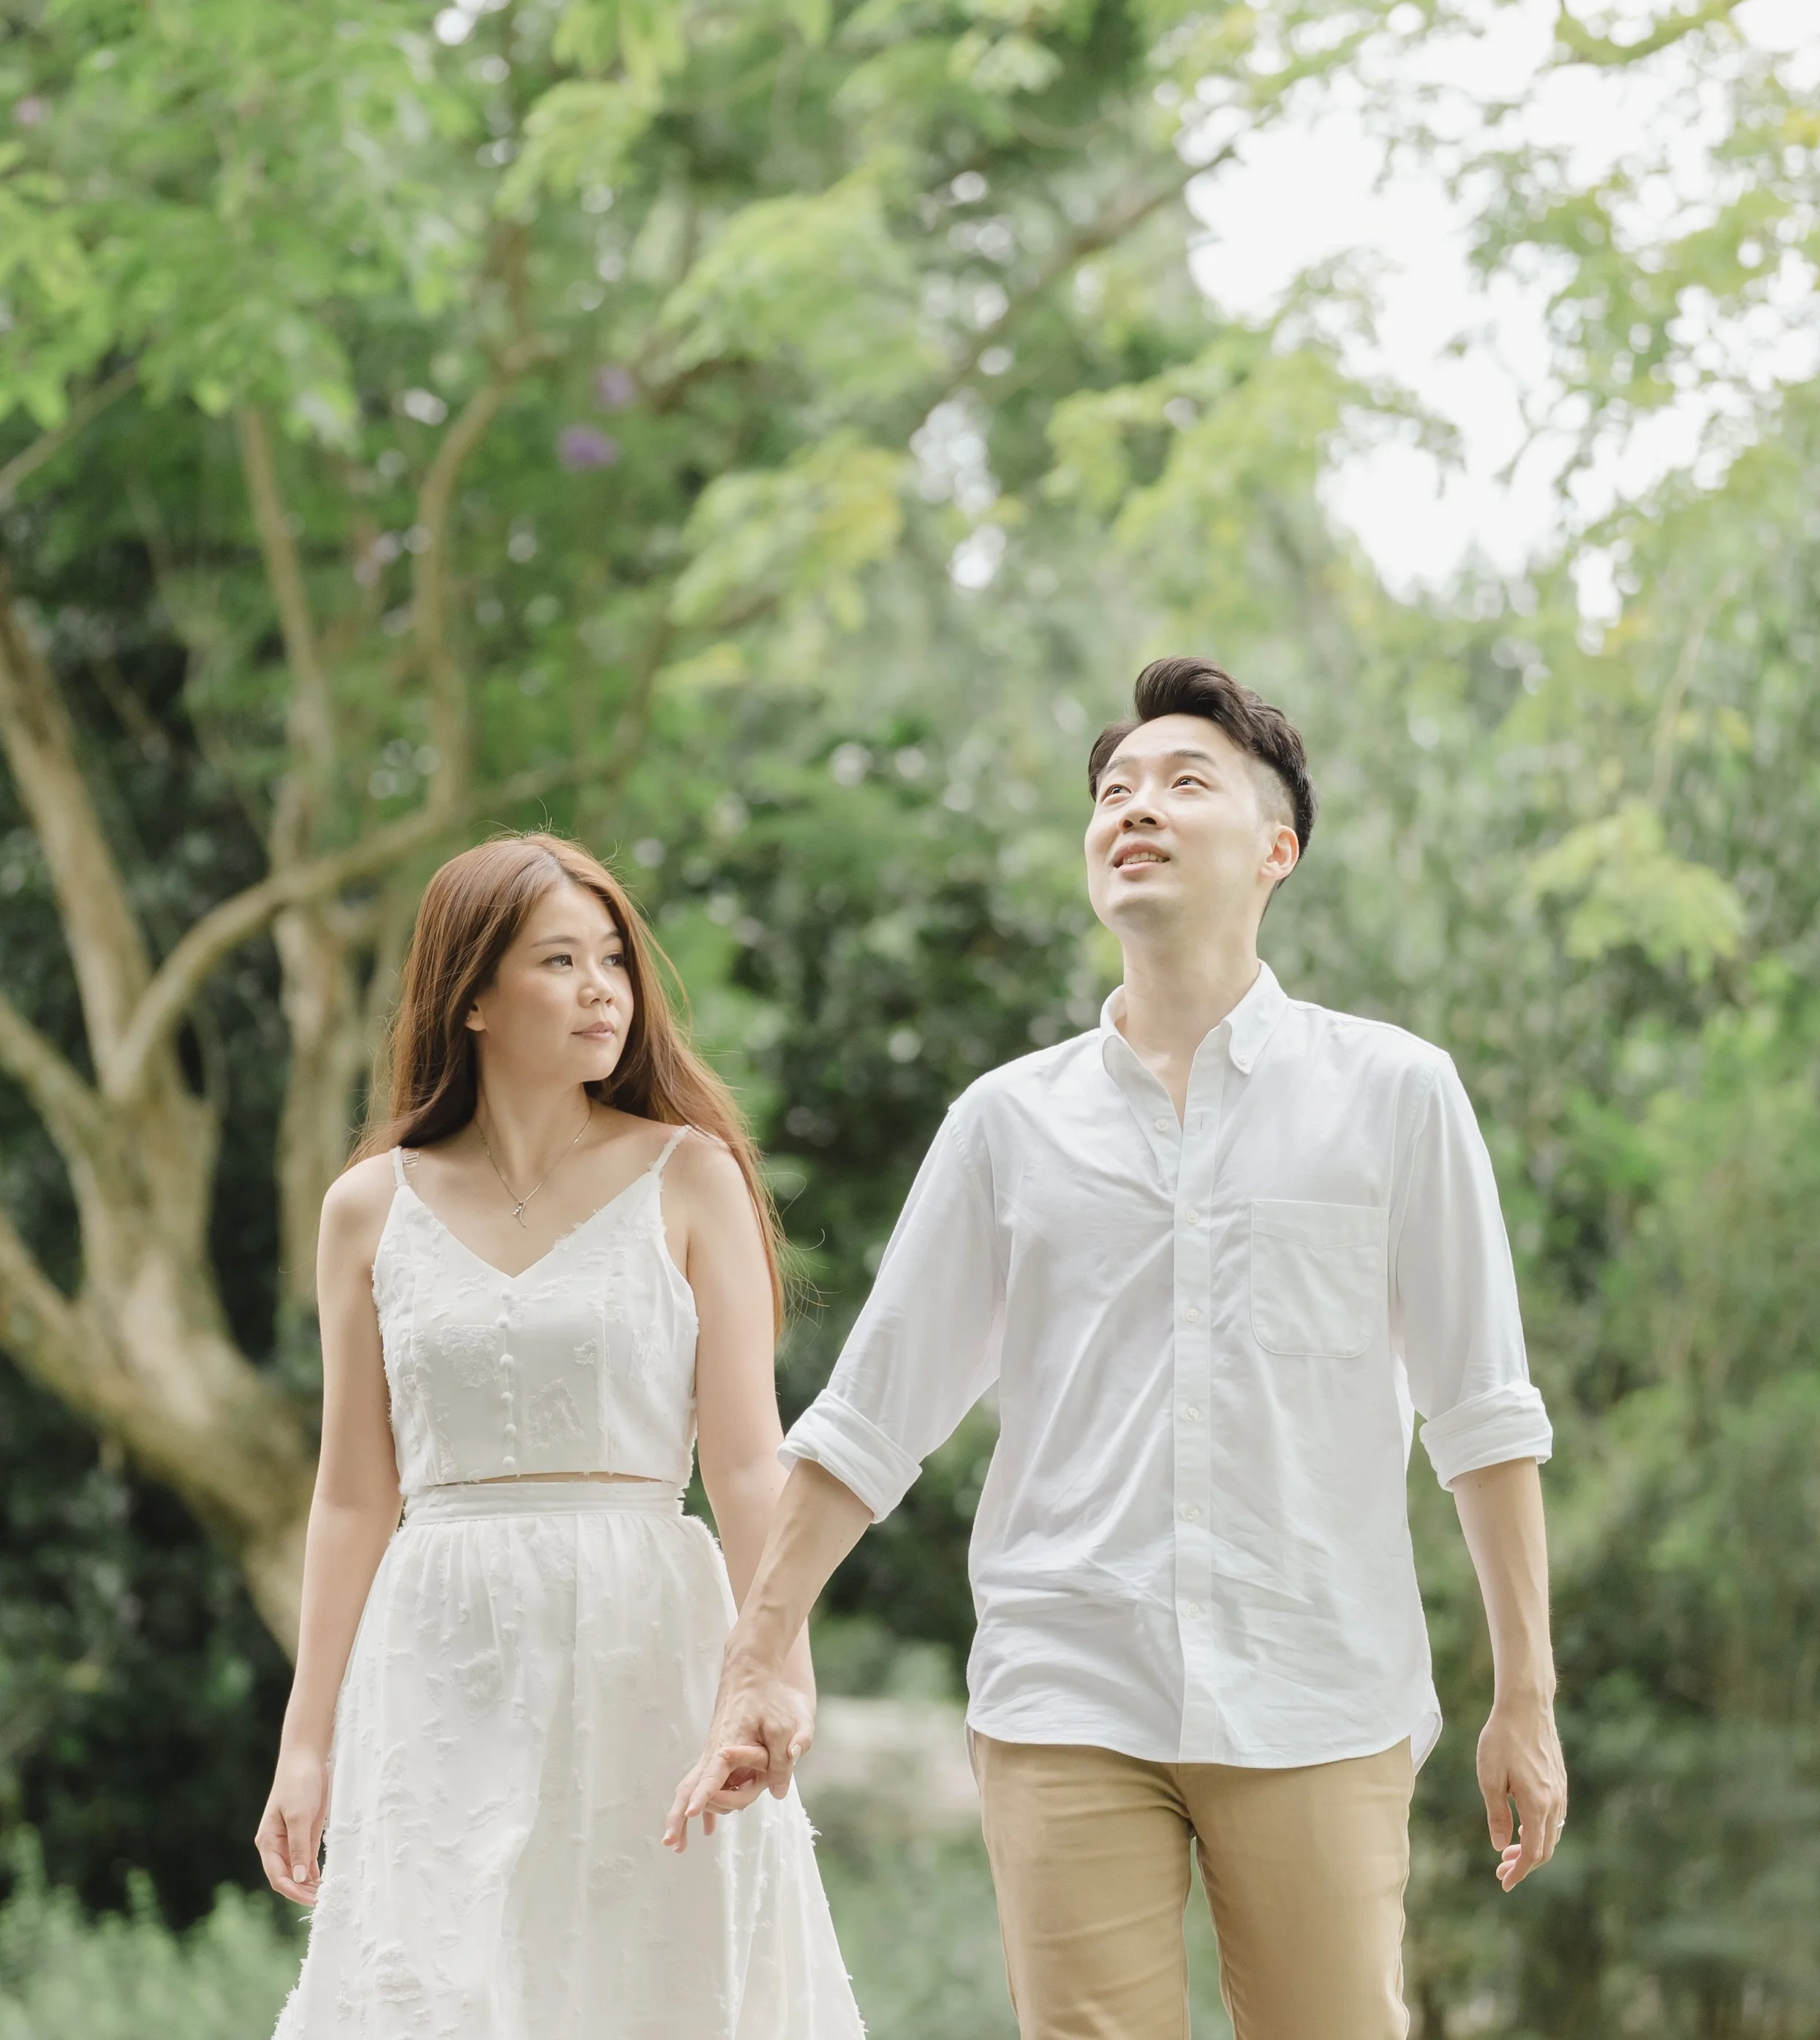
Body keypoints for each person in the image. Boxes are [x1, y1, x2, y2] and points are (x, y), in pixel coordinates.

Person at [667, 659, 1566, 2040]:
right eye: (1113, 790)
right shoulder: (1004, 1123)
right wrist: (758, 1652)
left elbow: (1483, 1411)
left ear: (1279, 849)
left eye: (1184, 781)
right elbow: (870, 1418)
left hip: (1318, 1684)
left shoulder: (1396, 1094)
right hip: (1066, 1680)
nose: (1135, 807)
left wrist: (1526, 1693)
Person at [257, 831, 862, 2040]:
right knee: (437, 1993)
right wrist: (306, 1738)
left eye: (614, 961)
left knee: (653, 1990)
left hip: (650, 1640)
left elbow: (747, 1461)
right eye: (560, 960)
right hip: (439, 1650)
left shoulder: (693, 1177)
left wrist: (776, 1672)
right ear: (470, 995)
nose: (604, 989)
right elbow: (350, 1497)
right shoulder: (367, 1207)